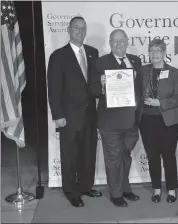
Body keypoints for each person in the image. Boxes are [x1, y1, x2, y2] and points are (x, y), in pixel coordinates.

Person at [47, 16, 102, 208]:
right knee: (70, 156)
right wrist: (58, 115)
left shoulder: (93, 53)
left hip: (90, 115)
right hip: (69, 117)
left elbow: (95, 85)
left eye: (83, 28)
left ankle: (85, 186)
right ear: (69, 30)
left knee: (88, 153)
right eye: (76, 28)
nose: (80, 31)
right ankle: (71, 192)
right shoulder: (58, 56)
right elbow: (53, 89)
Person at [89, 29, 142, 207]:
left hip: (132, 119)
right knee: (113, 158)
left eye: (121, 40)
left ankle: (126, 189)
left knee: (126, 156)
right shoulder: (101, 62)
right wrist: (103, 86)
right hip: (110, 120)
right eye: (114, 41)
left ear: (127, 41)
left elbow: (140, 89)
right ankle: (116, 194)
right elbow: (92, 89)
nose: (118, 44)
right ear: (109, 44)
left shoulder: (135, 60)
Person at [139, 39, 178, 203]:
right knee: (152, 156)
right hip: (147, 120)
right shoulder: (143, 71)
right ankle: (156, 189)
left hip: (169, 121)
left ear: (164, 53)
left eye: (158, 51)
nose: (154, 54)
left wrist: (161, 103)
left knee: (168, 155)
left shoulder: (174, 72)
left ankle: (172, 190)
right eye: (151, 51)